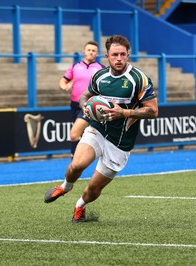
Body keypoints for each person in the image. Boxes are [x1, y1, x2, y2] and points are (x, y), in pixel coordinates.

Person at [44, 35, 158, 223]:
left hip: (121, 142)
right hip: (98, 129)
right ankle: (65, 187)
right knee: (77, 164)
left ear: (128, 55)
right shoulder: (100, 76)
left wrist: (125, 113)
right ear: (107, 56)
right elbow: (85, 95)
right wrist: (84, 106)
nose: (119, 58)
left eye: (123, 54)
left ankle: (80, 205)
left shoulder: (139, 79)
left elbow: (153, 111)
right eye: (115, 55)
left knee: (94, 189)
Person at [59, 41, 105, 157]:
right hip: (74, 104)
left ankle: (74, 161)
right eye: (89, 50)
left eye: (93, 51)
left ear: (97, 54)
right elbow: (64, 80)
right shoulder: (75, 66)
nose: (91, 52)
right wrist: (64, 85)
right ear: (83, 51)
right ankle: (79, 162)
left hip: (88, 105)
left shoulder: (101, 68)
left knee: (74, 134)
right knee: (81, 135)